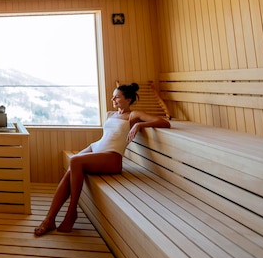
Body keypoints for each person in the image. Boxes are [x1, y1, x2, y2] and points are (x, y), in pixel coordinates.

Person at [34, 83, 170, 235]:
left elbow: (164, 122)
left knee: (74, 161)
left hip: (112, 157)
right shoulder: (110, 114)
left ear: (128, 99)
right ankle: (49, 218)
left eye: (117, 97)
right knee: (72, 167)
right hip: (97, 148)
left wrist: (139, 126)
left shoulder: (133, 115)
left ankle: (71, 212)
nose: (113, 99)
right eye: (113, 96)